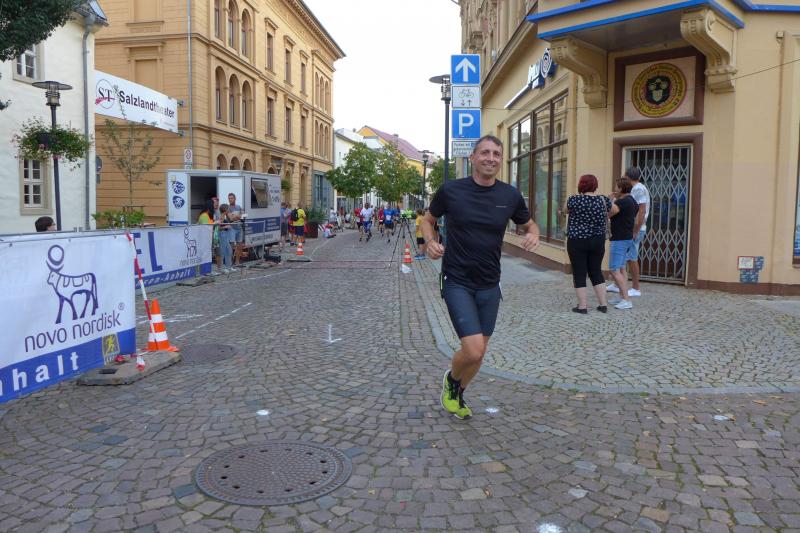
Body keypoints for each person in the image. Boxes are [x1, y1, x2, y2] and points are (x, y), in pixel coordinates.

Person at [421, 135, 540, 419]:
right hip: (457, 280)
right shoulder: (452, 190)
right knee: (473, 350)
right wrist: (430, 242)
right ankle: (452, 380)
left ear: (501, 160)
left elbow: (530, 224)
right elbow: (428, 220)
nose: (491, 158)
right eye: (485, 152)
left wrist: (534, 234)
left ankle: (458, 392)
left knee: (480, 351)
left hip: (489, 283)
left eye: (496, 154)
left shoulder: (509, 196)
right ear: (473, 157)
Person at [564, 174, 612, 314]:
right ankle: (603, 305)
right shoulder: (603, 200)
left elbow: (565, 210)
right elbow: (614, 210)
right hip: (597, 240)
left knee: (579, 272)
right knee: (596, 270)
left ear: (581, 185)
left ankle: (582, 306)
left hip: (577, 240)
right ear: (595, 185)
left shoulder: (574, 199)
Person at [608, 167, 650, 297]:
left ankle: (635, 288)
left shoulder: (637, 189)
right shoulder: (637, 189)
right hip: (632, 229)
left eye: (624, 177)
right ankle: (618, 285)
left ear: (627, 177)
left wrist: (635, 230)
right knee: (623, 259)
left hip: (634, 229)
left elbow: (641, 211)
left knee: (631, 258)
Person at [607, 176, 638, 309]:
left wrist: (610, 200)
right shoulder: (632, 201)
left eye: (616, 186)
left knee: (614, 269)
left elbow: (608, 214)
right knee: (621, 268)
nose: (614, 188)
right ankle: (622, 296)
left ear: (621, 188)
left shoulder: (622, 202)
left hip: (619, 239)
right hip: (627, 238)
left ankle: (626, 300)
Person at [227, 193, 245, 267]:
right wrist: (239, 216)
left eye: (231, 198)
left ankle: (237, 262)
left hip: (239, 228)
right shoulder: (228, 208)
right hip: (232, 228)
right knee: (231, 246)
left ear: (235, 199)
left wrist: (237, 216)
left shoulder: (238, 206)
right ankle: (230, 263)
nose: (230, 200)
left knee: (239, 246)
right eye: (229, 198)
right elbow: (231, 218)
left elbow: (244, 215)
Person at [217, 204, 235, 273]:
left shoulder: (224, 216)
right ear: (225, 210)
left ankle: (229, 267)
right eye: (228, 209)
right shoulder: (221, 217)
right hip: (222, 234)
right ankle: (222, 268)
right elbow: (218, 228)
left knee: (229, 250)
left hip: (226, 234)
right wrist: (226, 227)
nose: (228, 210)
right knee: (223, 252)